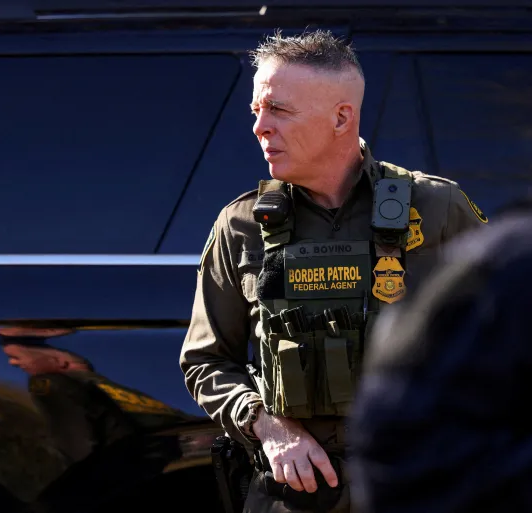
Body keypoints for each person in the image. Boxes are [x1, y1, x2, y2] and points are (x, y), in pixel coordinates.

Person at [178, 28, 489, 513]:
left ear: (342, 117)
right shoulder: (241, 224)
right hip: (299, 495)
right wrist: (268, 426)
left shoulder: (437, 207)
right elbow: (205, 361)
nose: (260, 127)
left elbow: (521, 339)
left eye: (278, 109)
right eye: (256, 110)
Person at [347, 179, 532, 513]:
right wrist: (267, 423)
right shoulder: (526, 264)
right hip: (302, 473)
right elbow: (401, 438)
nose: (263, 133)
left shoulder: (436, 200)